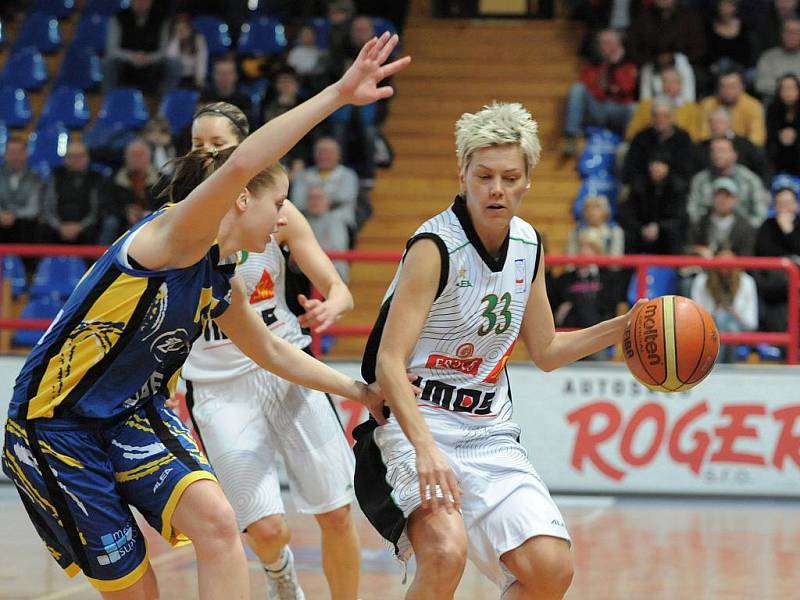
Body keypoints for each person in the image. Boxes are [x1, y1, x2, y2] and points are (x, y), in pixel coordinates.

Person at [1, 33, 408, 599]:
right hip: (57, 424)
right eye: (274, 203)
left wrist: (356, 390)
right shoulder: (177, 236)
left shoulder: (221, 276)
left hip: (131, 413)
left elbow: (270, 350)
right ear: (239, 197)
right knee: (139, 592)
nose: (280, 219)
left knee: (220, 524)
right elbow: (245, 159)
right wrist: (338, 94)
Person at [353, 102, 641, 599]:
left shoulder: (529, 244)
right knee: (445, 553)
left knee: (551, 570)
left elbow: (546, 349)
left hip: (489, 431)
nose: (496, 189)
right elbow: (388, 363)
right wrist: (425, 448)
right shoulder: (433, 247)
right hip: (414, 424)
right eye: (484, 175)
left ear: (527, 181)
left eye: (510, 177)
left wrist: (626, 326)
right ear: (462, 175)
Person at [179, 102, 360, 600]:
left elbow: (336, 286)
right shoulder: (183, 223)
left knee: (337, 510)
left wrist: (332, 306)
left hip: (286, 366)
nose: (208, 155)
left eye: (219, 146)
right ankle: (282, 577)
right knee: (265, 529)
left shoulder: (276, 209)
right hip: (219, 387)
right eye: (198, 147)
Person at [690, 248, 758, 363]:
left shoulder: (747, 282)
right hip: (709, 328)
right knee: (722, 321)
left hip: (738, 326)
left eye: (729, 266)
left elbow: (752, 324)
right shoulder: (701, 282)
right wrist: (716, 313)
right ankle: (729, 368)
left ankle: (716, 368)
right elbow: (696, 321)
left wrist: (734, 313)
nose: (725, 270)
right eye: (721, 266)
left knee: (729, 325)